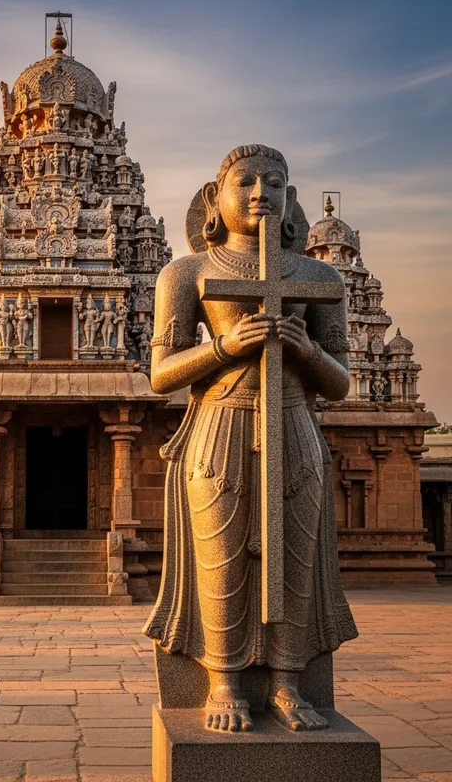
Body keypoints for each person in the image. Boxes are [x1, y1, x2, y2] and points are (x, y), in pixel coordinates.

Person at [143, 145, 357, 733]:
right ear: (217, 198)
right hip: (220, 422)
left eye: (276, 182)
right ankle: (224, 681)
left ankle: (289, 683)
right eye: (246, 180)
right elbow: (160, 375)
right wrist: (223, 347)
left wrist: (305, 348)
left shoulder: (319, 276)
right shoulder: (185, 274)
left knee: (294, 550)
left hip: (293, 421)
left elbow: (339, 384)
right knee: (222, 552)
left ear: (291, 199)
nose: (261, 191)